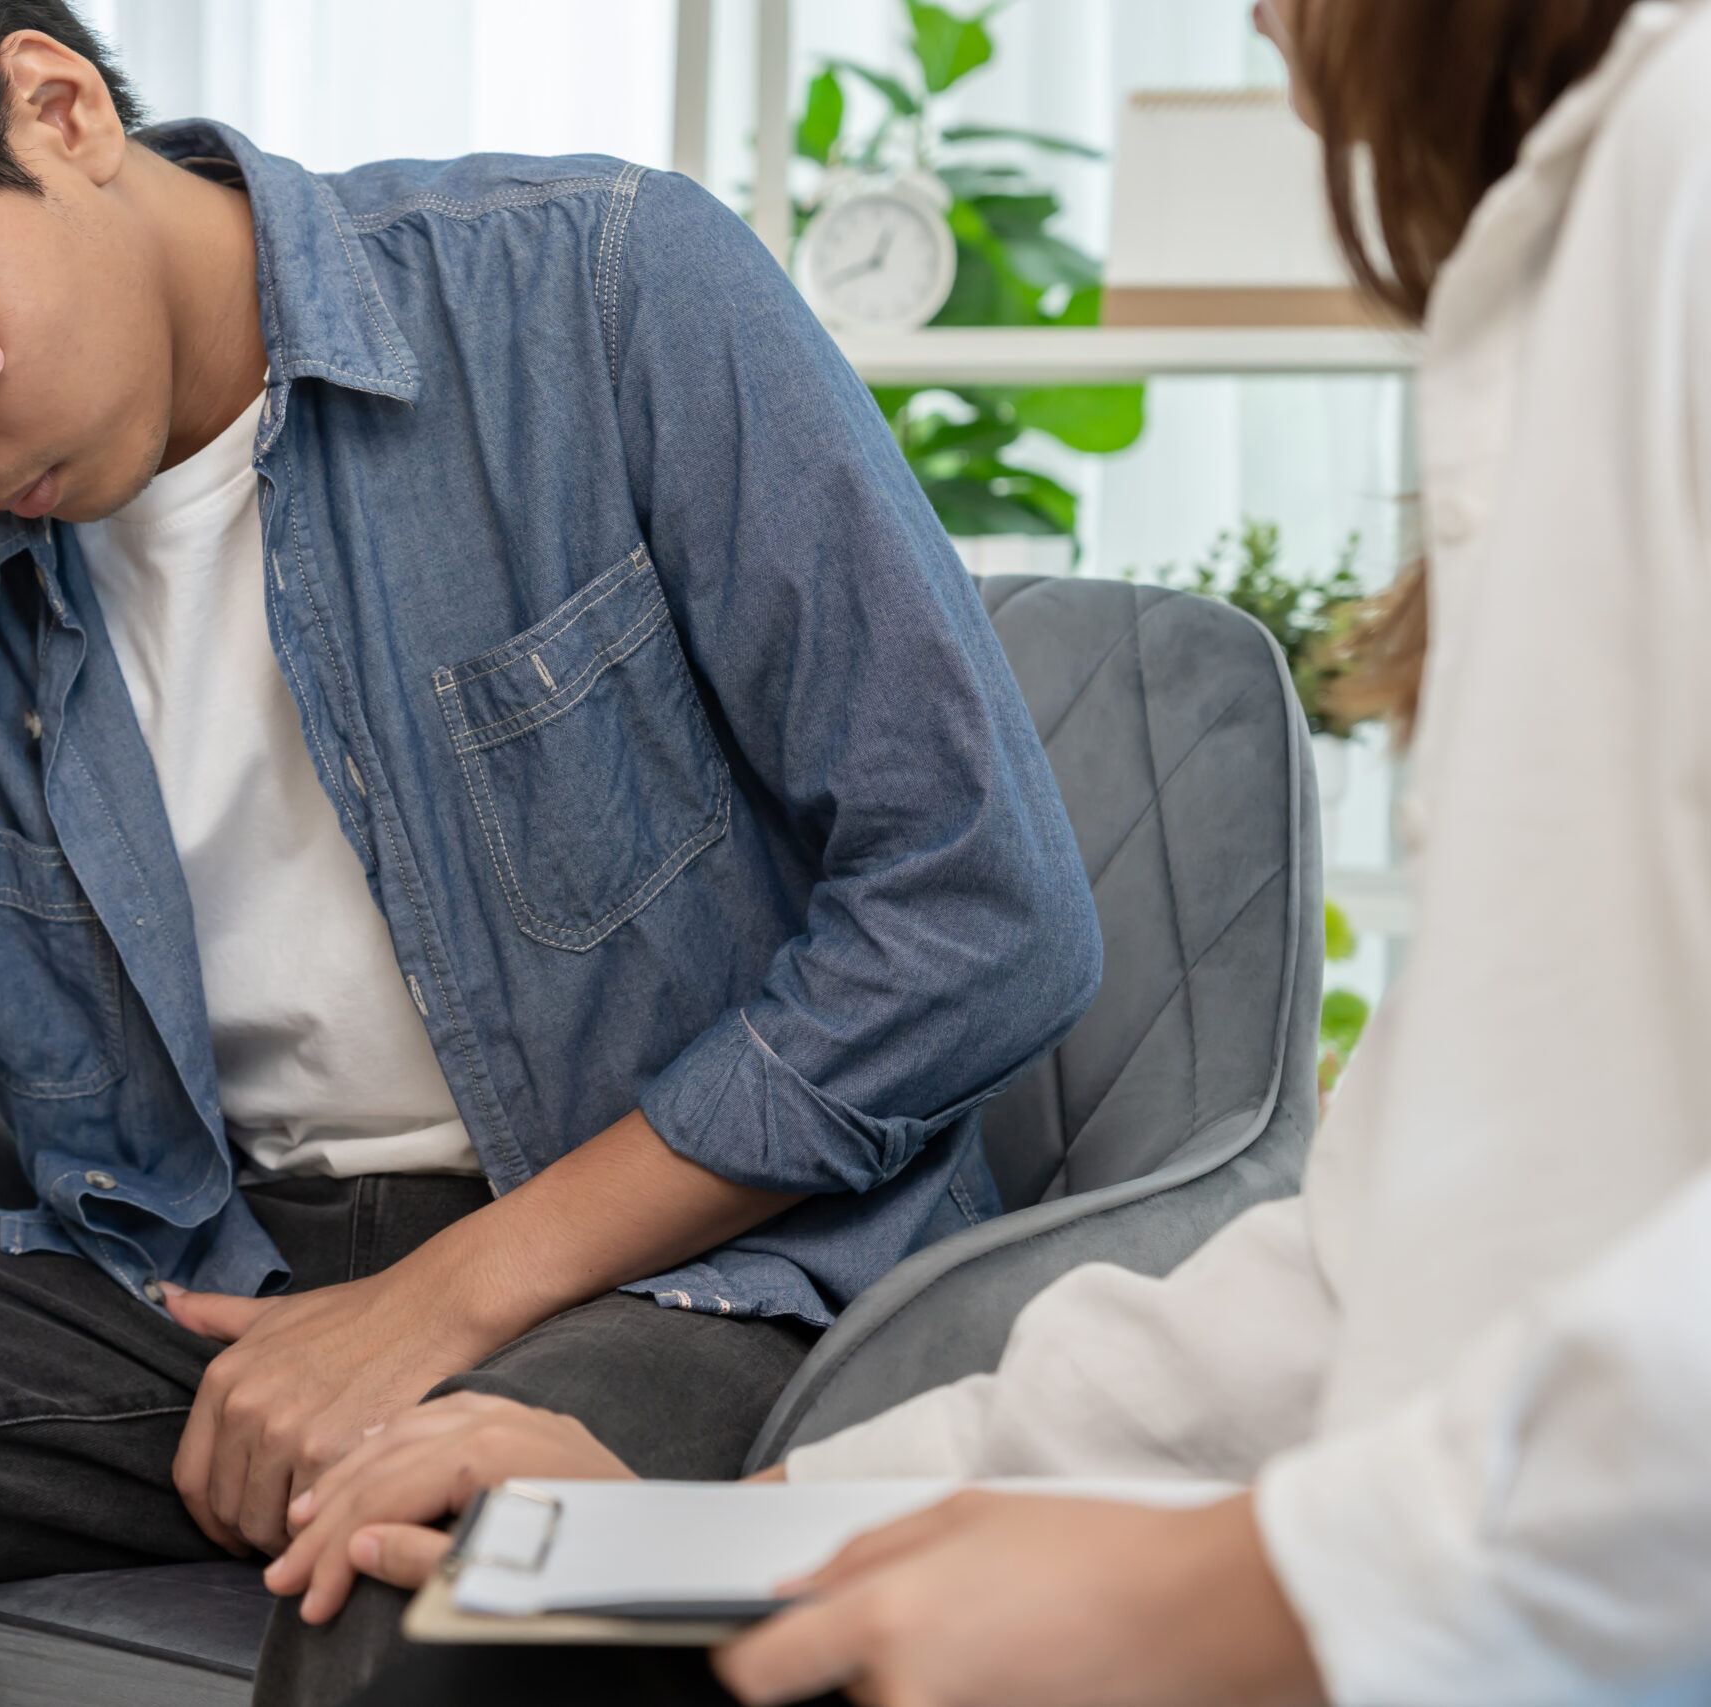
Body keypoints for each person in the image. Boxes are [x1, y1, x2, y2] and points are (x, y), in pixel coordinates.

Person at [0, 3, 1104, 1703]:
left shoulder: (602, 290)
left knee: (414, 1562)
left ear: (58, 110)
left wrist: (439, 1301)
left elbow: (983, 916)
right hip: (199, 1290)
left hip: (686, 1276)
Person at [265, 0, 1711, 1701]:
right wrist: (743, 1529)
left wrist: (1222, 1597)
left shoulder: (1680, 179)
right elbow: (1377, 1274)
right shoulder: (1594, 239)